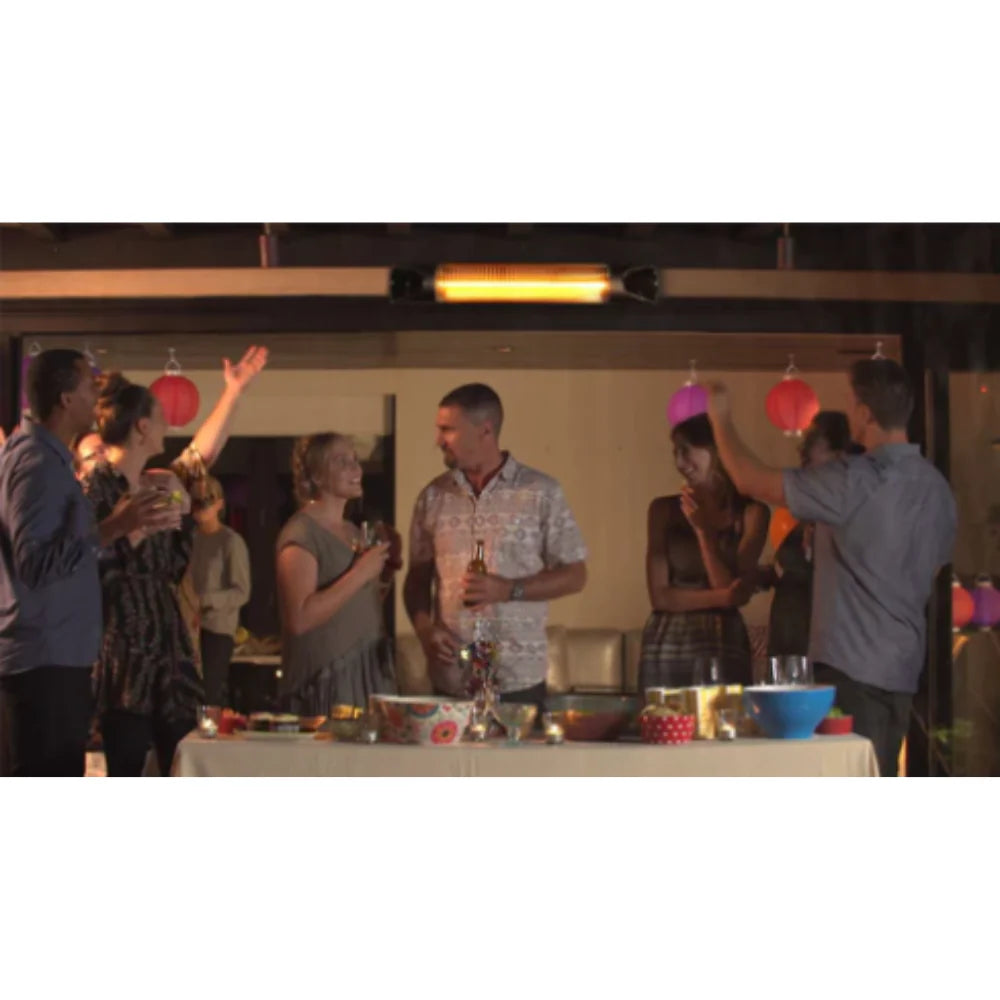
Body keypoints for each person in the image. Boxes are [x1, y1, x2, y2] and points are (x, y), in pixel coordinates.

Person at [705, 359, 957, 777]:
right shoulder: (937, 489)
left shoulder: (854, 480)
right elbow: (934, 571)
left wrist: (720, 418)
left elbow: (752, 481)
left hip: (851, 670)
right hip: (903, 669)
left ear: (864, 412)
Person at [81, 345, 268, 776]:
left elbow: (201, 457)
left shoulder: (157, 483)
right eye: (161, 416)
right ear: (143, 427)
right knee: (126, 768)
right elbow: (82, 563)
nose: (169, 423)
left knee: (182, 766)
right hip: (124, 649)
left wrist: (234, 392)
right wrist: (126, 532)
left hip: (169, 650)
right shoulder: (95, 489)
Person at [0, 350, 167, 776]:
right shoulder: (36, 462)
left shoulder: (48, 458)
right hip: (44, 659)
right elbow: (35, 563)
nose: (98, 394)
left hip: (55, 654)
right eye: (88, 385)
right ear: (64, 398)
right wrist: (113, 527)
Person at [403, 383, 588, 713]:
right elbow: (416, 581)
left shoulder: (540, 492)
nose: (438, 440)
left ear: (484, 430)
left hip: (517, 680)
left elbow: (575, 575)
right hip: (451, 681)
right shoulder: (432, 497)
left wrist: (509, 589)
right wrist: (425, 631)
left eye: (448, 429)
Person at [639, 413, 769, 691]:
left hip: (724, 638)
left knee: (725, 723)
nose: (679, 463)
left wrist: (703, 533)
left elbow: (730, 589)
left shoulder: (751, 513)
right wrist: (723, 597)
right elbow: (660, 597)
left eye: (686, 451)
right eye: (675, 453)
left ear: (715, 451)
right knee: (667, 724)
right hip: (670, 638)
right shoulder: (663, 510)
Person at [275, 433, 399, 713]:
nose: (355, 469)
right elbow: (299, 618)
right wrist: (360, 572)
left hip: (366, 671)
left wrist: (385, 573)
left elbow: (358, 603)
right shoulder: (302, 533)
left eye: (355, 460)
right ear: (317, 476)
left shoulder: (353, 531)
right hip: (327, 679)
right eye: (342, 462)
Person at [762, 411, 862, 658]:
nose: (802, 449)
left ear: (840, 453)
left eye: (813, 439)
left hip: (826, 639)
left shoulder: (851, 507)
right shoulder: (806, 509)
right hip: (788, 633)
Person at [189, 475, 251, 707]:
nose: (202, 504)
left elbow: (242, 591)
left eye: (208, 498)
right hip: (188, 629)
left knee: (209, 693)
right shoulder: (189, 540)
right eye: (196, 499)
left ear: (220, 503)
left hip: (215, 629)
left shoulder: (230, 542)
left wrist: (206, 600)